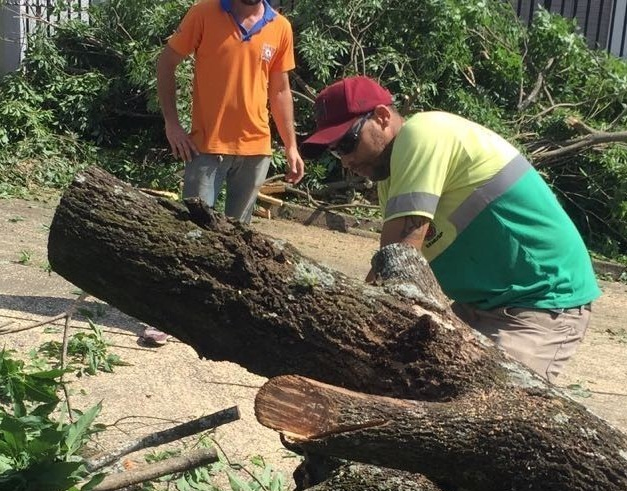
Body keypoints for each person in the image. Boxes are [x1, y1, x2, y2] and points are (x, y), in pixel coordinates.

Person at [300, 75, 600, 381]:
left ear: (381, 116)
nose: (346, 160)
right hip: (480, 305)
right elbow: (389, 267)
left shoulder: (422, 134)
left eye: (348, 142)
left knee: (488, 408)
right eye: (336, 150)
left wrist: (348, 328)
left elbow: (401, 257)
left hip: (539, 301)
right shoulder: (388, 176)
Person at [143, 0, 304, 346]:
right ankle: (169, 316)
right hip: (206, 147)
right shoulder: (204, 13)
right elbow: (167, 62)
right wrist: (172, 124)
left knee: (236, 241)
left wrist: (291, 145)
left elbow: (279, 89)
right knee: (191, 234)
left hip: (256, 150)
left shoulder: (280, 27)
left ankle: (217, 316)